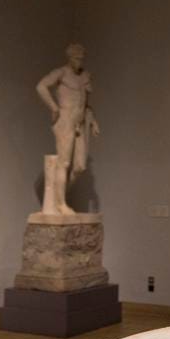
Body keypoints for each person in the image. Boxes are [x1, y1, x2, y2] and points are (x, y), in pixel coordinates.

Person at [37, 43, 100, 215]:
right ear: (70, 58)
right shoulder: (61, 73)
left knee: (80, 166)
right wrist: (54, 107)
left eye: (82, 58)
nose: (79, 61)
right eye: (76, 58)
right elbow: (41, 86)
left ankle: (60, 196)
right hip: (65, 120)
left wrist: (93, 121)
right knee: (64, 162)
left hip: (80, 122)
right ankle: (60, 203)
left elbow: (85, 103)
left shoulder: (85, 76)